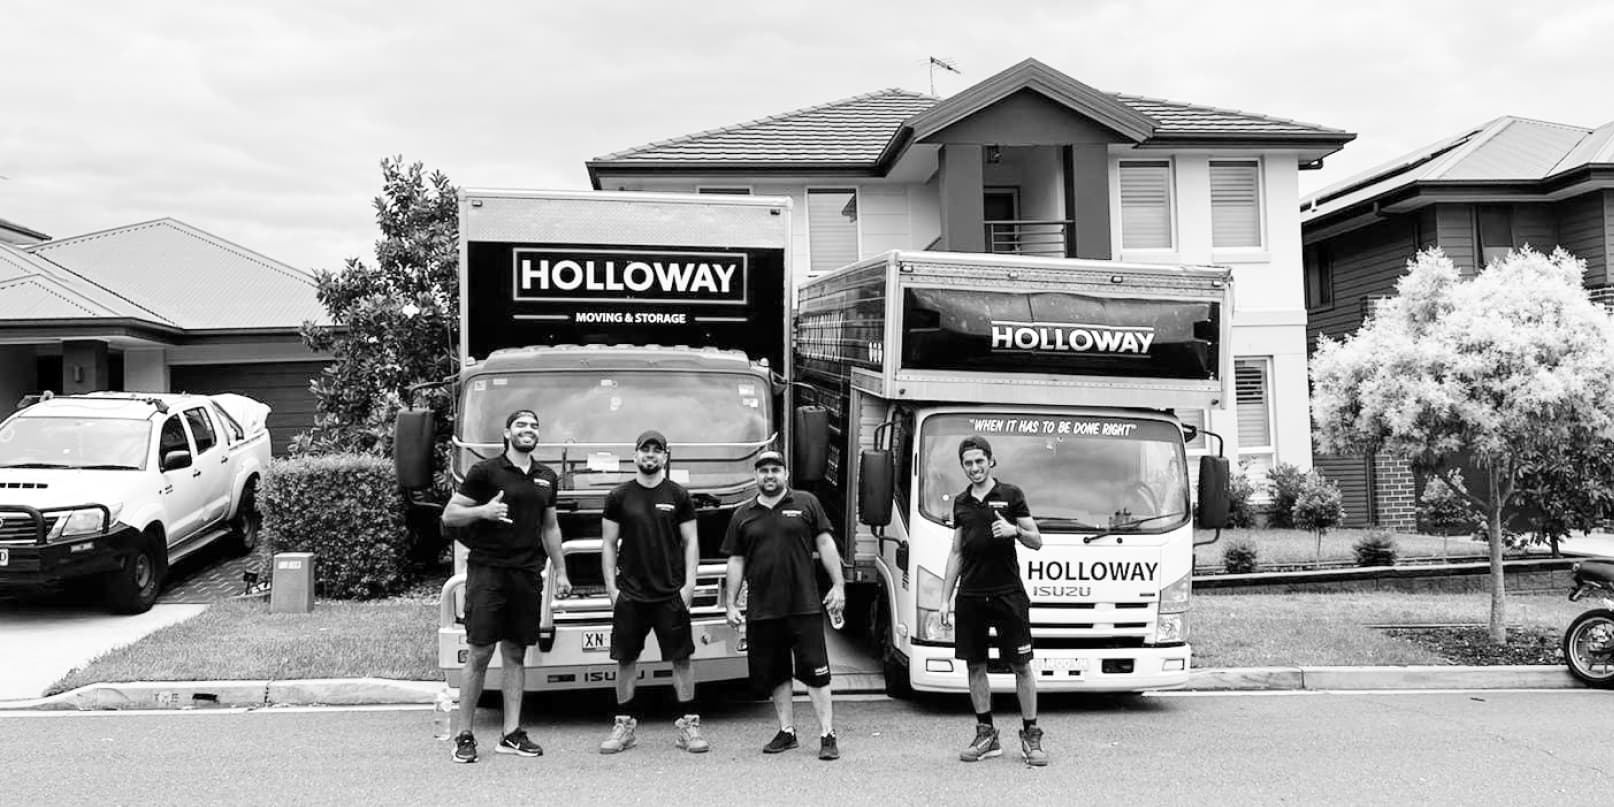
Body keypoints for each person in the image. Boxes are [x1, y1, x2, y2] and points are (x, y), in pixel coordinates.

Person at [440, 409, 571, 764]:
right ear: (507, 433)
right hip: (488, 572)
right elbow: (450, 515)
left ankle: (511, 734)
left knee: (515, 653)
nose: (528, 430)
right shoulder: (486, 472)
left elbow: (550, 528)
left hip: (526, 575)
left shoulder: (547, 478)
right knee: (480, 652)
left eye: (533, 426)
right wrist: (483, 512)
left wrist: (560, 570)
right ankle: (464, 735)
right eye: (521, 426)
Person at [722, 450, 846, 761]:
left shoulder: (806, 503)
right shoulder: (742, 514)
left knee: (817, 674)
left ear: (786, 474)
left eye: (775, 469)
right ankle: (787, 731)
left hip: (803, 605)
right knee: (776, 673)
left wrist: (838, 584)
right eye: (763, 471)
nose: (769, 476)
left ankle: (827, 734)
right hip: (763, 609)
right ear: (756, 477)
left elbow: (825, 544)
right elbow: (736, 560)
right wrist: (731, 602)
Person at [940, 434, 1048, 766]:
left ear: (991, 461)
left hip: (1008, 595)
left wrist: (1016, 531)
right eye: (968, 463)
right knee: (975, 665)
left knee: (1021, 666)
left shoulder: (1012, 495)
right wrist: (945, 600)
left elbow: (1037, 541)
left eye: (979, 461)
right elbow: (956, 552)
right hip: (971, 596)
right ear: (963, 467)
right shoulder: (960, 502)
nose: (974, 468)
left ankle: (1031, 735)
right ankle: (986, 734)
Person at [598, 429, 707, 755]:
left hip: (670, 593)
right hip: (630, 594)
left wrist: (689, 585)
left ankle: (688, 726)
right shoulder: (619, 496)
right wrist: (611, 589)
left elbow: (691, 542)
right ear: (635, 455)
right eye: (645, 450)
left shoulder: (678, 495)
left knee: (681, 659)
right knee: (626, 659)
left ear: (665, 456)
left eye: (656, 450)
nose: (650, 455)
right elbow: (607, 544)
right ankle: (624, 727)